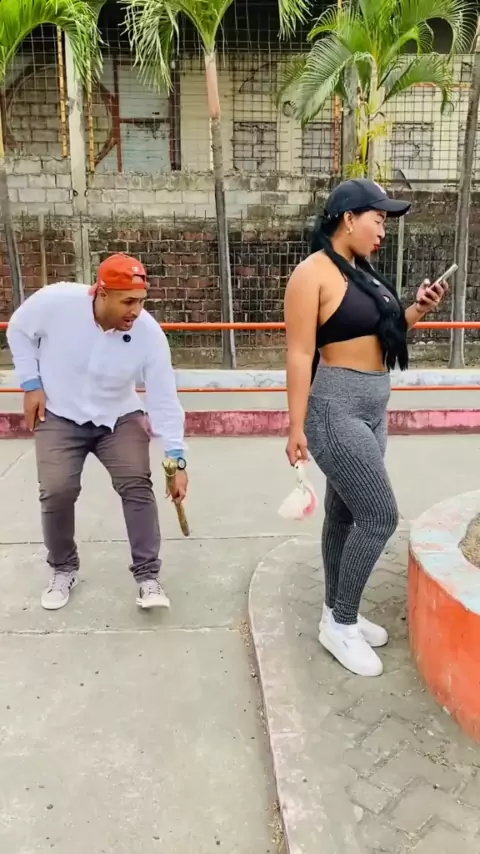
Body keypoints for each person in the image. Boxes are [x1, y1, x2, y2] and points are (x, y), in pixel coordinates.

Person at [284, 179, 448, 677]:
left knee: (343, 515)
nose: (383, 230)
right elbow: (299, 354)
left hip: (374, 407)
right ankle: (341, 624)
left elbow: (384, 334)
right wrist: (295, 427)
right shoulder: (312, 274)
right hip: (334, 408)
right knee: (380, 516)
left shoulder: (364, 273)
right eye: (378, 220)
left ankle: (335, 611)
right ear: (349, 217)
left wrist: (417, 308)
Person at [7, 253, 188, 612]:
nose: (136, 311)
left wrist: (177, 457)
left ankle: (148, 577)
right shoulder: (57, 302)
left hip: (118, 416)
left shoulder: (148, 334)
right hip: (59, 412)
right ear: (101, 293)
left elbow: (164, 397)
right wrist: (31, 383)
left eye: (141, 301)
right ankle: (63, 569)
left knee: (136, 484)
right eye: (128, 301)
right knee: (57, 490)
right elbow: (18, 329)